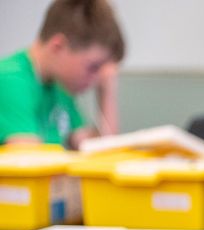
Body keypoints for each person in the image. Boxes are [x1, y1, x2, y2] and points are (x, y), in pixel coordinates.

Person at [0, 0, 125, 149]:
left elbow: (100, 150)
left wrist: (106, 92)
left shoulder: (59, 85)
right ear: (58, 47)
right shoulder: (9, 80)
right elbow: (30, 164)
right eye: (93, 67)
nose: (97, 77)